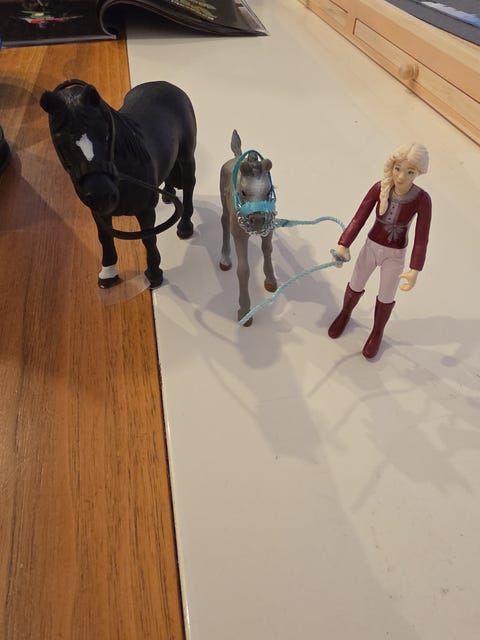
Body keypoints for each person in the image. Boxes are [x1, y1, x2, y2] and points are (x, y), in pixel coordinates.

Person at [328, 143, 431, 359]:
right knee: (356, 283)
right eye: (398, 169)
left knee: (386, 295)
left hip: (395, 255)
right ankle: (345, 313)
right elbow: (358, 218)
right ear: (391, 166)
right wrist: (343, 244)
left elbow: (421, 238)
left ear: (419, 172)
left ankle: (377, 331)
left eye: (409, 172)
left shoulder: (422, 200)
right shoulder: (379, 188)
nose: (401, 176)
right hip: (371, 246)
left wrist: (415, 268)